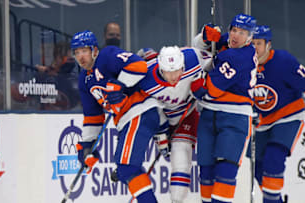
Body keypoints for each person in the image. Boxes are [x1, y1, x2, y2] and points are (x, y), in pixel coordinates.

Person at [247, 25, 305, 203]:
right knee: (258, 170)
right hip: (262, 123)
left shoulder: (283, 62)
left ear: (268, 45)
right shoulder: (244, 63)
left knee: (274, 158)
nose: (255, 48)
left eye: (258, 43)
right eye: (251, 44)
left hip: (287, 117)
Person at [71, 30, 162, 203]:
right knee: (126, 169)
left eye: (84, 51)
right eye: (76, 53)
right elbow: (93, 116)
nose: (80, 56)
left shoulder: (107, 55)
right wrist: (87, 145)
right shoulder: (84, 80)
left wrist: (120, 85)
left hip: (140, 111)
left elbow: (140, 66)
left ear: (94, 50)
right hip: (125, 120)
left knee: (126, 166)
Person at [191, 13, 258, 203]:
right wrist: (205, 37)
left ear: (250, 37)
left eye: (242, 32)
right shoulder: (229, 43)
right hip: (208, 115)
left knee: (225, 172)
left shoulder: (239, 56)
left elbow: (212, 90)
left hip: (234, 118)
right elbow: (197, 47)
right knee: (206, 171)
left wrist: (199, 89)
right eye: (234, 30)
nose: (236, 36)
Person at [138, 45, 212, 203]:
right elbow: (147, 108)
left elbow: (214, 59)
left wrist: (204, 83)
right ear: (160, 69)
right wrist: (161, 134)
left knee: (181, 160)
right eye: (168, 72)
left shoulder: (193, 58)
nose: (173, 76)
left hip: (187, 114)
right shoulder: (146, 79)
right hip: (163, 119)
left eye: (177, 70)